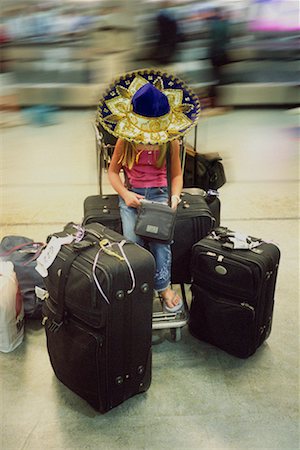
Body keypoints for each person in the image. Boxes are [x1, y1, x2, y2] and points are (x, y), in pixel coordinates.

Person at [97, 69, 200, 312]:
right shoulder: (126, 141)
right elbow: (113, 173)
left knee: (161, 240)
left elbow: (176, 174)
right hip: (133, 196)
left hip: (160, 194)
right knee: (131, 240)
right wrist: (125, 195)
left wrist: (175, 196)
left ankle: (163, 287)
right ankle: (136, 287)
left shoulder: (169, 142)